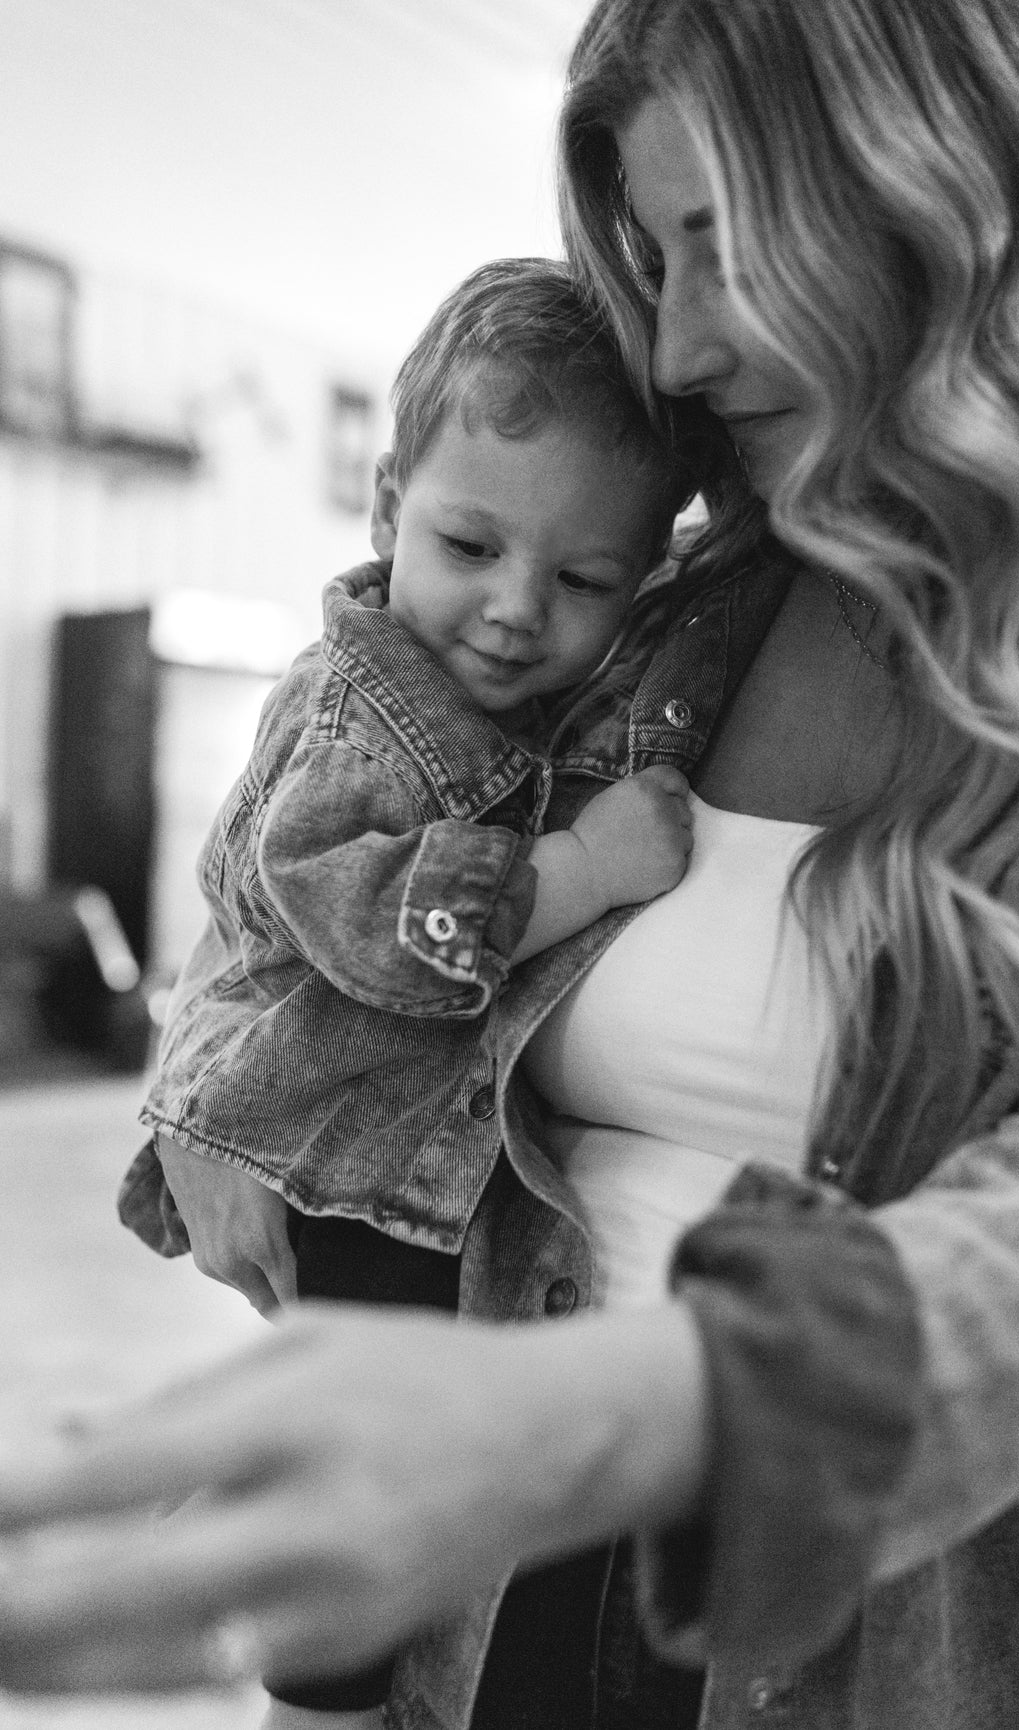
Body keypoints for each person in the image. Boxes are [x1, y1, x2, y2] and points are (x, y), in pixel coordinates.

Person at [1, 1, 1019, 1727]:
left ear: (949, 189)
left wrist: (626, 1411)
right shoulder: (667, 611)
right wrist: (206, 1074)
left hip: (873, 1657)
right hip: (471, 1618)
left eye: (725, 242)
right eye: (650, 254)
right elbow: (330, 843)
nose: (681, 348)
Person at [118, 255, 700, 1728]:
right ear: (385, 510)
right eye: (469, 544)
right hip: (338, 1158)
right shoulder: (353, 708)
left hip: (381, 1156)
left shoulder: (494, 680)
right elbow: (379, 927)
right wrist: (576, 867)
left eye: (583, 581)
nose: (515, 612)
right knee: (368, 1479)